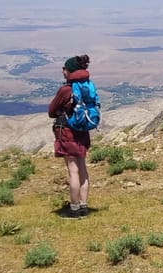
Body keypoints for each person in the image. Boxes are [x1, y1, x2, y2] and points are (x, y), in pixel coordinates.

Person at [48, 55, 93, 219]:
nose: (62, 71)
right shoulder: (87, 86)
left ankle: (74, 209)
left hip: (68, 132)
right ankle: (84, 206)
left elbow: (51, 111)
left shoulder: (66, 90)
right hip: (83, 131)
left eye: (64, 68)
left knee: (72, 171)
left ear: (69, 71)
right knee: (82, 169)